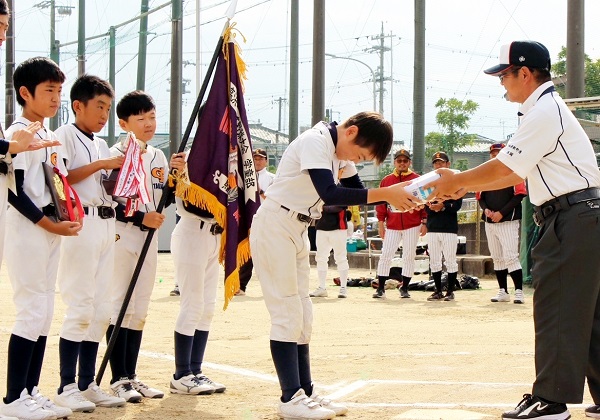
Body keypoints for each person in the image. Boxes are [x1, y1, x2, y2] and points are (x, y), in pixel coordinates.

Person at [426, 40, 600, 420]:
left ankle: (551, 399)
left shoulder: (544, 111)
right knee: (589, 311)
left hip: (575, 216)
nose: (501, 82)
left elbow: (505, 169)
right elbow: (507, 170)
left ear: (525, 73)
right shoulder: (540, 110)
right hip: (581, 214)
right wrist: (460, 183)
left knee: (557, 304)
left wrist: (456, 181)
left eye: (504, 74)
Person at [249, 111, 422, 419]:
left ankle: (306, 391)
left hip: (297, 227)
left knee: (303, 311)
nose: (355, 159)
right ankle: (290, 399)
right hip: (275, 223)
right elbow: (330, 192)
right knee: (287, 312)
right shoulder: (316, 141)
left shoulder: (337, 149)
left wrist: (403, 197)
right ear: (351, 132)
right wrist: (386, 194)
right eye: (359, 153)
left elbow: (355, 191)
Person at [0, 57, 83, 420]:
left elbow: (59, 185)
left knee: (46, 312)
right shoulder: (18, 133)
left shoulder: (49, 136)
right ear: (25, 93)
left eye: (58, 91)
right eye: (48, 90)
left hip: (51, 229)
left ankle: (32, 390)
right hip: (27, 230)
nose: (55, 98)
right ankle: (13, 398)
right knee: (31, 310)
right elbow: (15, 193)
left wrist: (66, 219)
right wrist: (49, 226)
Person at [52, 75, 127, 413]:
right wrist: (102, 164)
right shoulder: (64, 134)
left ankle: (87, 383)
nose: (104, 114)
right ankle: (67, 385)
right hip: (80, 222)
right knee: (80, 305)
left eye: (108, 108)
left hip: (105, 221)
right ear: (78, 105)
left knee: (102, 309)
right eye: (99, 106)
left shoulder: (98, 141)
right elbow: (60, 178)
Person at [105, 91, 169, 402]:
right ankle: (118, 379)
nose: (148, 124)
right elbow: (111, 202)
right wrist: (142, 216)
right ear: (124, 122)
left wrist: (177, 178)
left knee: (139, 308)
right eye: (140, 119)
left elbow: (164, 197)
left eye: (152, 117)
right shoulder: (115, 154)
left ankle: (132, 375)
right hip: (121, 235)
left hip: (150, 237)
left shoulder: (158, 156)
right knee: (121, 304)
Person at [168, 151, 227, 396]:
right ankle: (181, 374)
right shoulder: (192, 156)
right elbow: (193, 203)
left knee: (208, 307)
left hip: (215, 234)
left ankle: (196, 369)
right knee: (192, 305)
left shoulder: (229, 158)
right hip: (192, 230)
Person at [476, 143, 527, 304]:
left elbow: (519, 194)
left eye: (498, 152)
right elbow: (480, 197)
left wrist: (501, 213)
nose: (495, 155)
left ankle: (519, 291)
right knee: (497, 257)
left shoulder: (513, 171)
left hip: (507, 220)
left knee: (511, 256)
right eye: (493, 153)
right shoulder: (485, 173)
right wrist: (486, 210)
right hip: (490, 221)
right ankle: (503, 291)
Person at [372, 149, 427, 300]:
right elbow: (381, 204)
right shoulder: (386, 180)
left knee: (409, 256)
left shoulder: (417, 179)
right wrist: (381, 224)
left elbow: (424, 201)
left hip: (412, 223)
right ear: (395, 162)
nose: (402, 163)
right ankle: (381, 288)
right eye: (399, 160)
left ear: (409, 162)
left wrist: (424, 221)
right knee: (386, 255)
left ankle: (405, 287)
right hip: (393, 224)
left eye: (405, 160)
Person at [235, 147, 275, 296]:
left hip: (266, 219)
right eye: (255, 158)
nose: (257, 161)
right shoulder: (244, 177)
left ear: (266, 161)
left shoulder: (272, 178)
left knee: (267, 254)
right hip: (247, 218)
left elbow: (275, 198)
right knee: (246, 253)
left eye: (260, 159)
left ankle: (272, 287)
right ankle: (241, 285)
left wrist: (261, 191)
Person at [424, 152, 462, 302]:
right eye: (436, 163)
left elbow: (457, 204)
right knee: (434, 260)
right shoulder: (429, 183)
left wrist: (443, 206)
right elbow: (425, 204)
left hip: (449, 227)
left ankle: (450, 291)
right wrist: (432, 207)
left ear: (448, 164)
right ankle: (438, 290)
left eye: (441, 162)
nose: (438, 165)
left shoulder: (454, 181)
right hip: (433, 227)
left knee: (450, 260)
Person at [309, 204, 352, 298]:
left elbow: (339, 206)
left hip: (338, 227)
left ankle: (343, 288)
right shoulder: (320, 190)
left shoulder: (341, 190)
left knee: (340, 257)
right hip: (321, 226)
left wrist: (322, 208)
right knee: (320, 257)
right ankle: (322, 287)